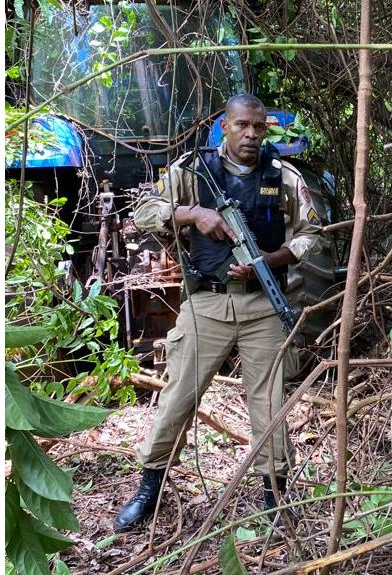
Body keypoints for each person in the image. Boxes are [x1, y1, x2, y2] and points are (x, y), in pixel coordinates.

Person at [114, 94, 323, 532]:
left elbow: (311, 234)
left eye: (259, 127)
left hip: (264, 305)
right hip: (207, 302)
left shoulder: (282, 176)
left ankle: (273, 495)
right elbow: (144, 211)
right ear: (225, 126)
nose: (251, 134)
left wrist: (273, 260)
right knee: (177, 398)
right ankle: (149, 486)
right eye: (242, 125)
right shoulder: (194, 170)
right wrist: (193, 214)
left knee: (269, 404)